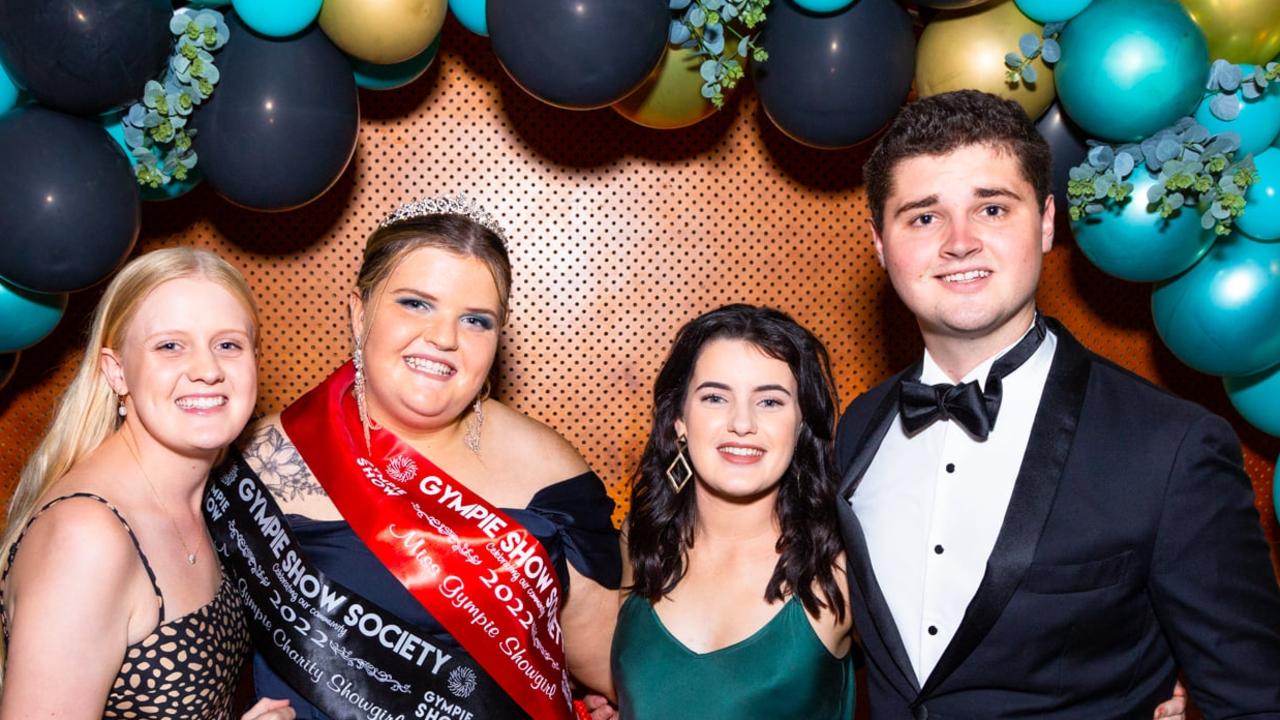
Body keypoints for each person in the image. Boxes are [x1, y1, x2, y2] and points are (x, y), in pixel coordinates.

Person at [836, 89, 1280, 717]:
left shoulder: (1171, 447)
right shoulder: (859, 427)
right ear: (881, 245)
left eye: (992, 208)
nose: (960, 242)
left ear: (1045, 222)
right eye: (924, 217)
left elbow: (1254, 700)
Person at [209, 194, 620, 719]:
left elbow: (611, 662)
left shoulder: (549, 467)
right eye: (416, 303)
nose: (444, 337)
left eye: (476, 320)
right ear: (359, 314)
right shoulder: (249, 466)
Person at [0, 248, 293, 719]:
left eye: (228, 344)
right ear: (117, 372)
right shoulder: (88, 538)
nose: (207, 369)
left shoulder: (211, 495)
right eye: (170, 346)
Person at [611, 304, 856, 719]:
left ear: (799, 423)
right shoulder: (643, 537)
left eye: (770, 402)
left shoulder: (840, 566)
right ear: (679, 420)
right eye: (714, 397)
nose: (741, 423)